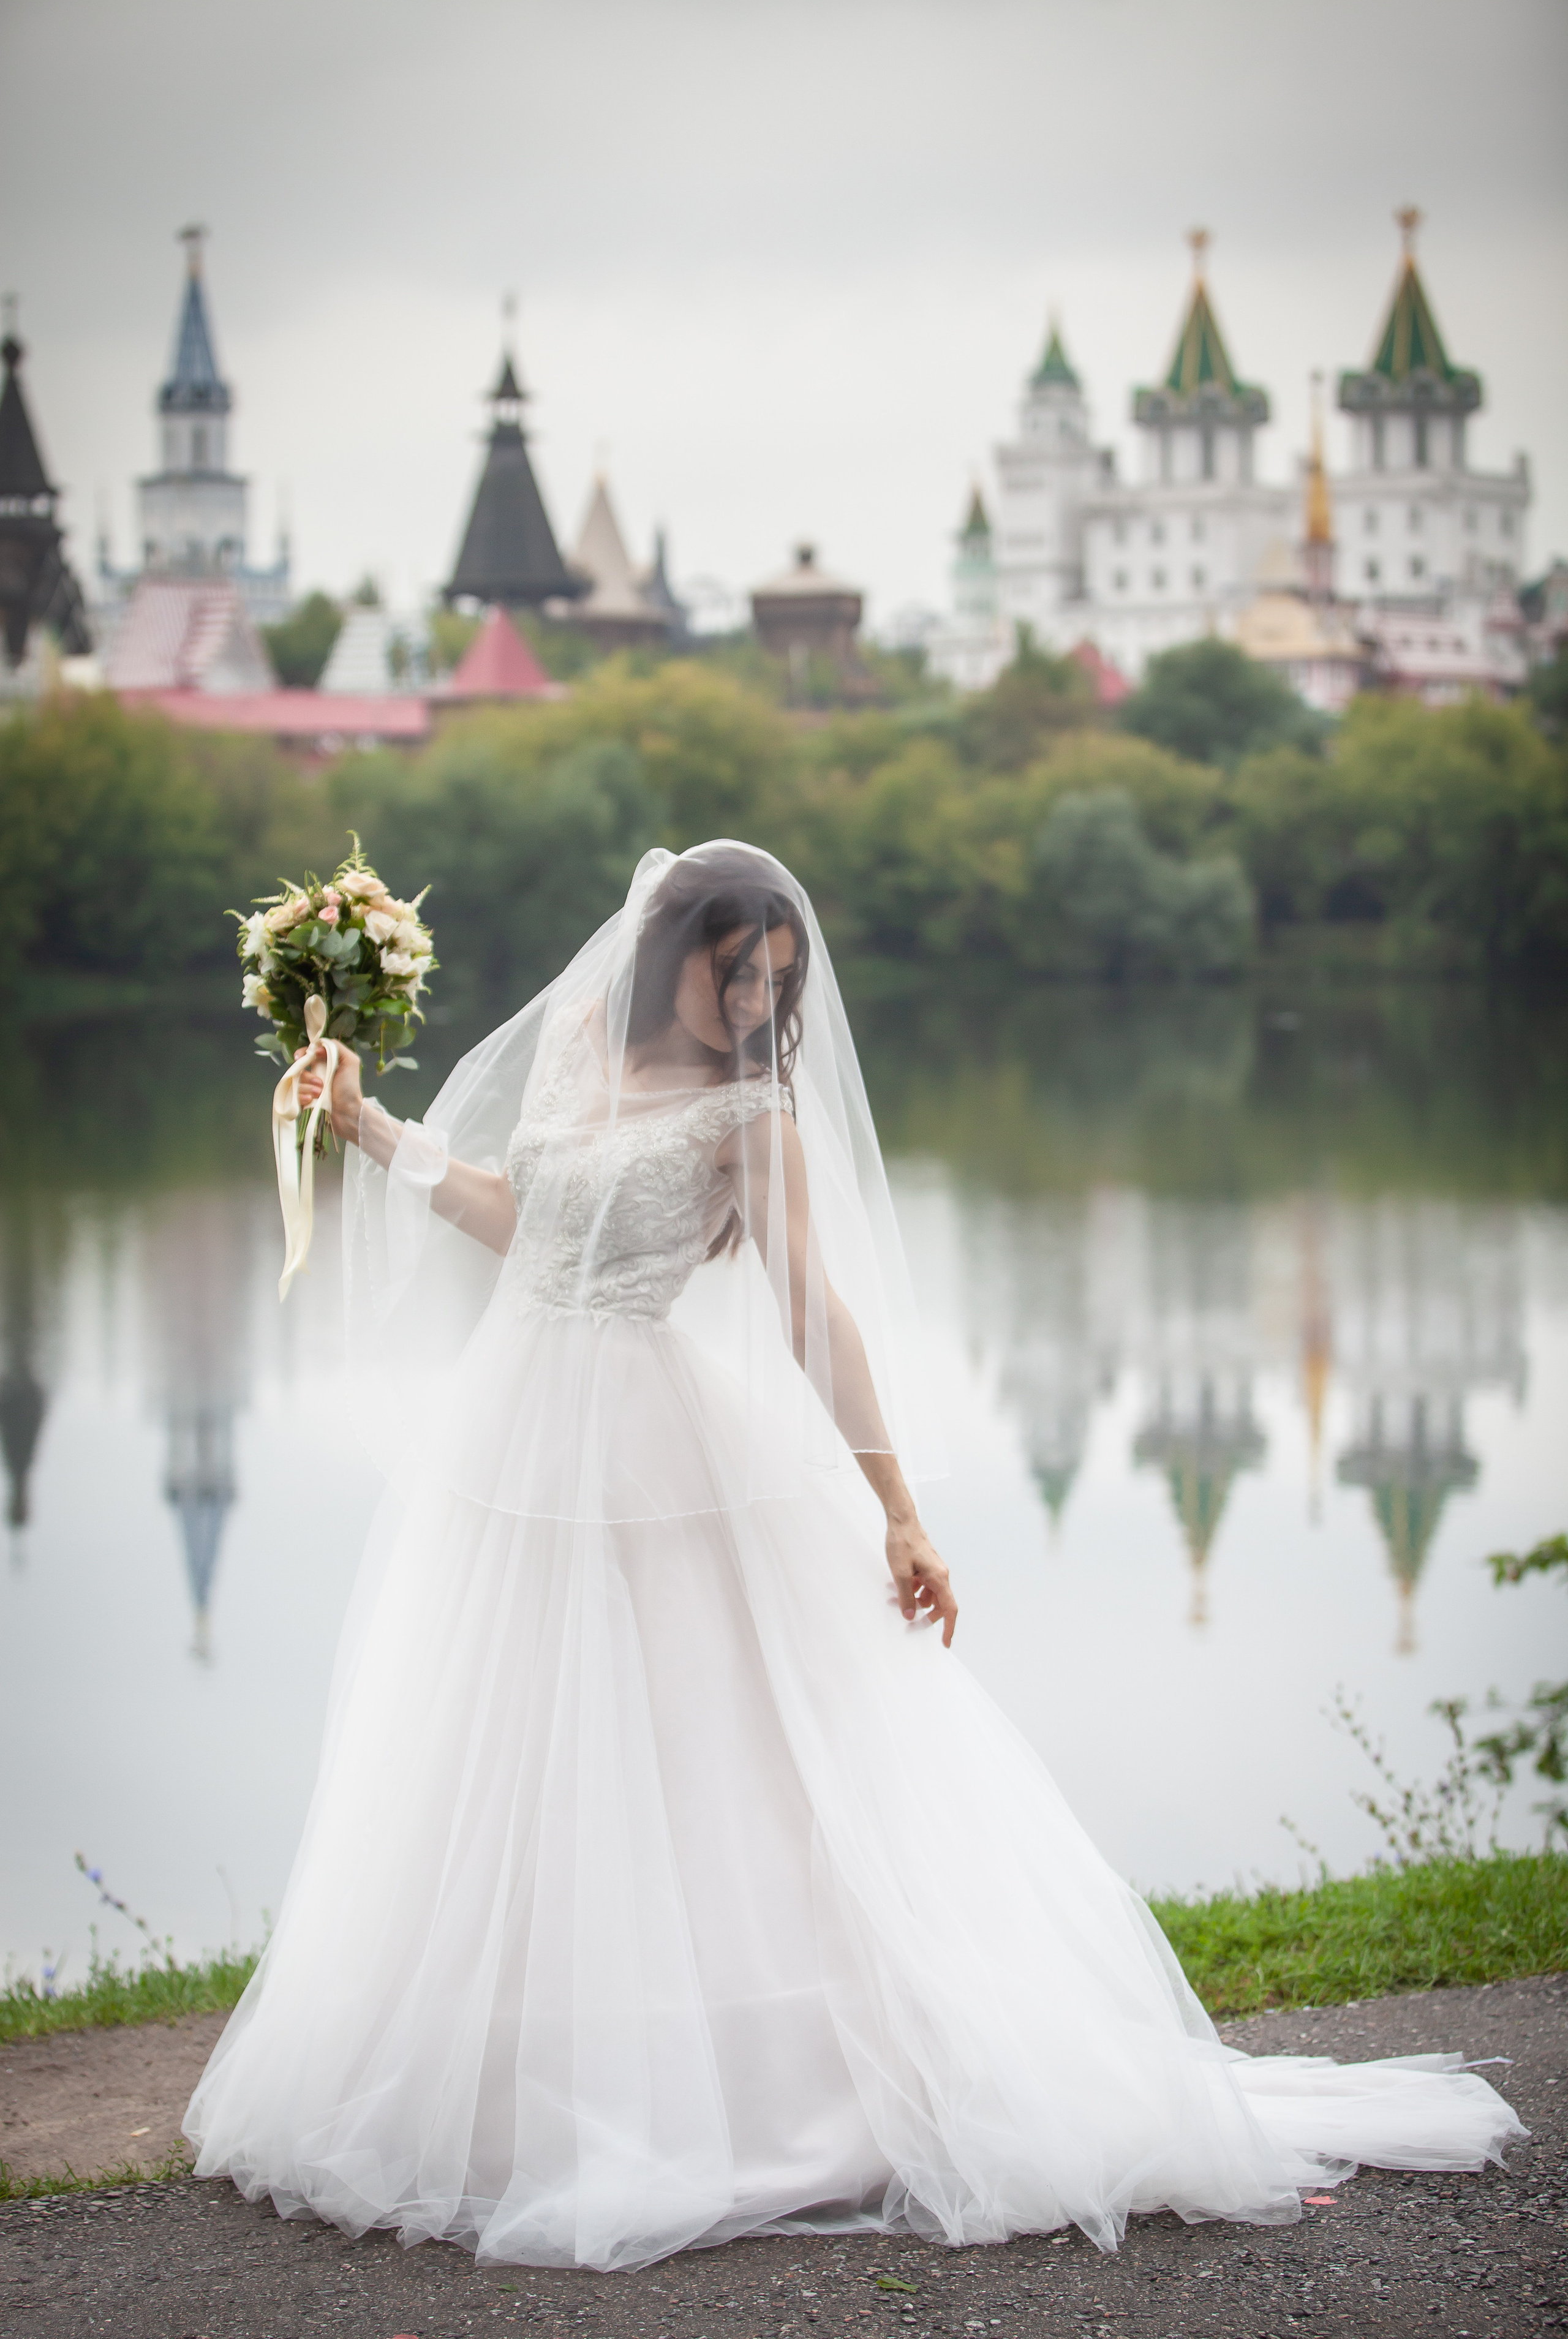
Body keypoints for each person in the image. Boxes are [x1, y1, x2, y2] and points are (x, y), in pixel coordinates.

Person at [186, 842, 1521, 2273]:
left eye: (778, 979)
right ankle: (507, 2075)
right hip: (518, 1446)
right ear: (666, 955)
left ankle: (738, 2088)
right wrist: (373, 1128)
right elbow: (527, 1229)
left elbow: (811, 1310)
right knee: (510, 1745)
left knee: (694, 1762)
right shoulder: (584, 1047)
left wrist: (895, 1505)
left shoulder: (751, 1111)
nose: (757, 1000)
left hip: (649, 1450)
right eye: (732, 971)